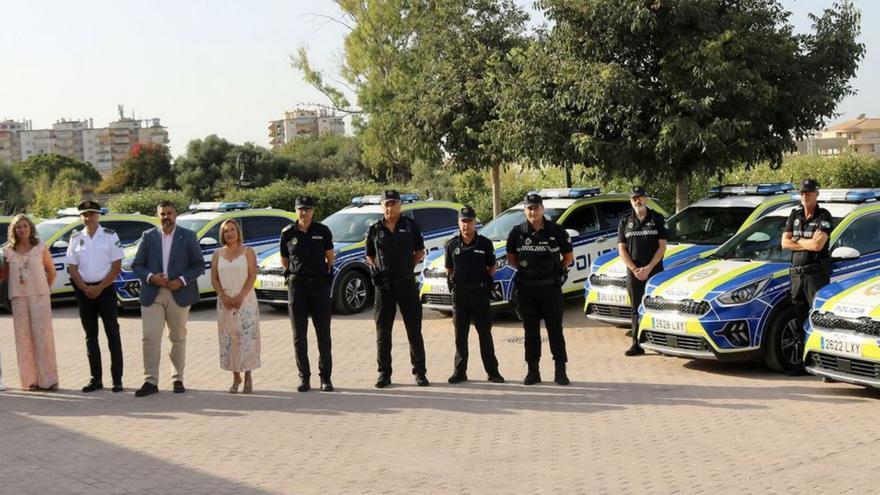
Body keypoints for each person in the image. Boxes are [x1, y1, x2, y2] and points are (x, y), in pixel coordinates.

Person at [131, 200, 205, 397]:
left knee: (177, 338)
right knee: (150, 338)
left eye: (169, 213)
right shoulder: (148, 237)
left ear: (176, 214)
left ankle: (177, 379)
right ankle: (150, 381)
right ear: (158, 216)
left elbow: (199, 265)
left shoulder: (188, 236)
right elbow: (137, 265)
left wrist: (180, 280)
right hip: (152, 294)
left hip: (179, 293)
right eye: (162, 214)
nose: (166, 217)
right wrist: (151, 277)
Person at [506, 193, 574, 385]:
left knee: (555, 331)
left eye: (536, 207)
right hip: (527, 290)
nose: (533, 211)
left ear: (542, 209)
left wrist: (557, 271)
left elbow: (568, 256)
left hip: (550, 289)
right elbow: (512, 258)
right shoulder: (517, 232)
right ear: (525, 210)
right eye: (529, 208)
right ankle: (533, 371)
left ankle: (560, 371)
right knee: (531, 332)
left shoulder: (556, 230)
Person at [366, 190, 429, 388]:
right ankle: (384, 373)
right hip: (384, 287)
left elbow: (419, 251)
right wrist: (376, 268)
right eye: (386, 204)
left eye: (393, 204)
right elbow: (369, 254)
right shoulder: (375, 229)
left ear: (399, 205)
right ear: (382, 206)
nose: (389, 208)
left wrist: (408, 267)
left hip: (406, 283)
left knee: (414, 330)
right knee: (383, 332)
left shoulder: (410, 226)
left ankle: (420, 372)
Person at [65, 200, 125, 393]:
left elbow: (116, 267)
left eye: (91, 214)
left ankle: (117, 379)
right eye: (84, 214)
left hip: (105, 290)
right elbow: (72, 268)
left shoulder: (109, 236)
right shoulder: (75, 238)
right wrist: (84, 288)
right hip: (85, 293)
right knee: (91, 337)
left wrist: (99, 288)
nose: (88, 218)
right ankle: (95, 379)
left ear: (98, 215)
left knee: (112, 335)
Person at [279, 196, 335, 392]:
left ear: (313, 211)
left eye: (308, 209)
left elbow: (330, 258)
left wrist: (323, 274)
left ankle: (325, 378)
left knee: (323, 335)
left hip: (319, 286)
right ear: (295, 210)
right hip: (297, 287)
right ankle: (304, 376)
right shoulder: (287, 233)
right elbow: (285, 260)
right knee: (299, 336)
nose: (304, 213)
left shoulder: (322, 231)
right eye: (301, 209)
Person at [445, 205, 504, 384]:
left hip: (480, 294)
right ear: (458, 223)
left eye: (469, 221)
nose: (466, 225)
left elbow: (492, 266)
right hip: (460, 295)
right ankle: (460, 372)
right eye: (463, 221)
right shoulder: (452, 244)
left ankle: (493, 372)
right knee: (460, 336)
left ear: (475, 222)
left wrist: (483, 279)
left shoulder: (485, 243)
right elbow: (449, 268)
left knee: (485, 334)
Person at [0, 214, 59, 391]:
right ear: (14, 230)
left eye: (25, 226)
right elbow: (5, 277)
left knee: (43, 339)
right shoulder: (8, 251)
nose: (22, 229)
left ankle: (48, 380)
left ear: (30, 228)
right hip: (19, 299)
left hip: (39, 297)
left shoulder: (40, 247)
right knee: (23, 341)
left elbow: (52, 272)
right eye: (18, 227)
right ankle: (30, 381)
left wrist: (45, 290)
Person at [781, 179, 833, 371]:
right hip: (796, 275)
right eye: (802, 193)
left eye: (809, 192)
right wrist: (806, 241)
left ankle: (822, 362)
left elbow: (817, 245)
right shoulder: (794, 214)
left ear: (816, 194)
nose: (805, 195)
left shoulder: (823, 216)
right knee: (799, 318)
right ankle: (801, 363)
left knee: (817, 317)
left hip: (815, 274)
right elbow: (784, 243)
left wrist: (797, 239)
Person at [210, 219, 261, 394]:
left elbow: (252, 275)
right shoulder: (217, 253)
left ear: (238, 232)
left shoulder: (248, 252)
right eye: (226, 231)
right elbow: (214, 278)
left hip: (245, 300)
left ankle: (248, 376)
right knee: (229, 340)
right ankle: (235, 376)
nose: (229, 233)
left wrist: (240, 296)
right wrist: (223, 296)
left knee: (247, 339)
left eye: (232, 230)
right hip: (225, 301)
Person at [618, 186, 667, 357]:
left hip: (655, 271)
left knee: (658, 307)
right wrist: (634, 269)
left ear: (645, 198)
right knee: (635, 309)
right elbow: (622, 250)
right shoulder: (625, 221)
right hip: (634, 272)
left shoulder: (657, 218)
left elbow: (662, 247)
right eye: (634, 198)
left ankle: (661, 344)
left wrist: (649, 268)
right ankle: (636, 344)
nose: (637, 200)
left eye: (640, 197)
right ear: (631, 201)